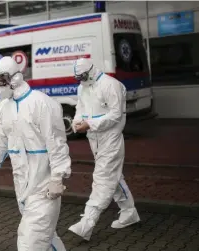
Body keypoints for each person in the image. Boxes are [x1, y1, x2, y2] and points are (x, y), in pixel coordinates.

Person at [0, 56, 71, 251]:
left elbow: (57, 143)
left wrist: (58, 177)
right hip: (22, 187)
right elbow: (0, 143)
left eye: (0, 82)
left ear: (14, 79)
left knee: (30, 242)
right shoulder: (4, 108)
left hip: (44, 187)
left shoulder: (42, 103)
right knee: (47, 237)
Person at [68, 58, 140, 241]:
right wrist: (77, 122)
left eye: (83, 76)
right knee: (113, 176)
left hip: (111, 139)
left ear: (91, 71)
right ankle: (129, 212)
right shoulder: (83, 87)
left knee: (103, 178)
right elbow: (80, 107)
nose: (81, 80)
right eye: (78, 78)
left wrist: (90, 124)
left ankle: (87, 223)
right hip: (94, 140)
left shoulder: (111, 85)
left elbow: (116, 115)